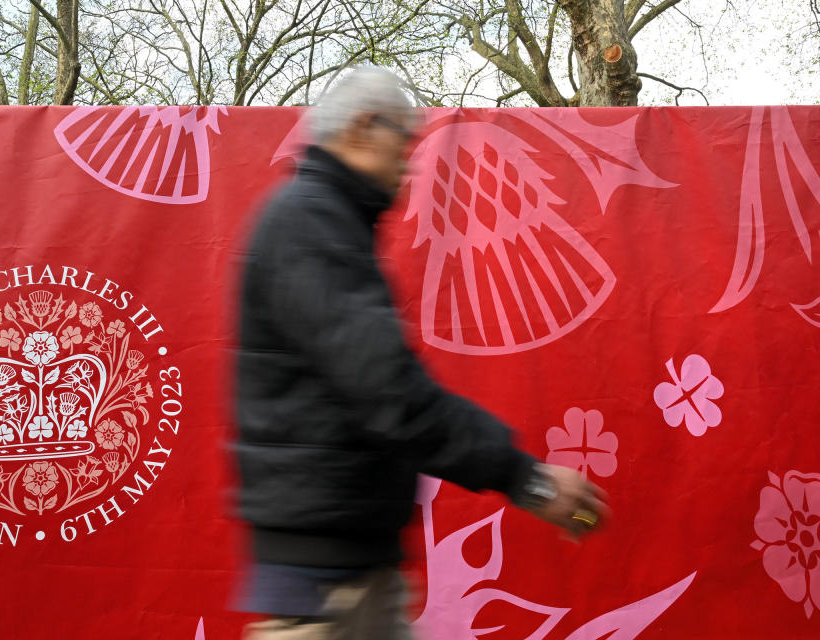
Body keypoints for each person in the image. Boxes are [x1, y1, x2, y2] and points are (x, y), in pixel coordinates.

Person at [233, 66, 608, 639]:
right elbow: (388, 393)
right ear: (363, 128)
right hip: (326, 583)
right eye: (403, 143)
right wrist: (526, 478)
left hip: (353, 565)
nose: (409, 166)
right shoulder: (310, 224)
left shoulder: (325, 221)